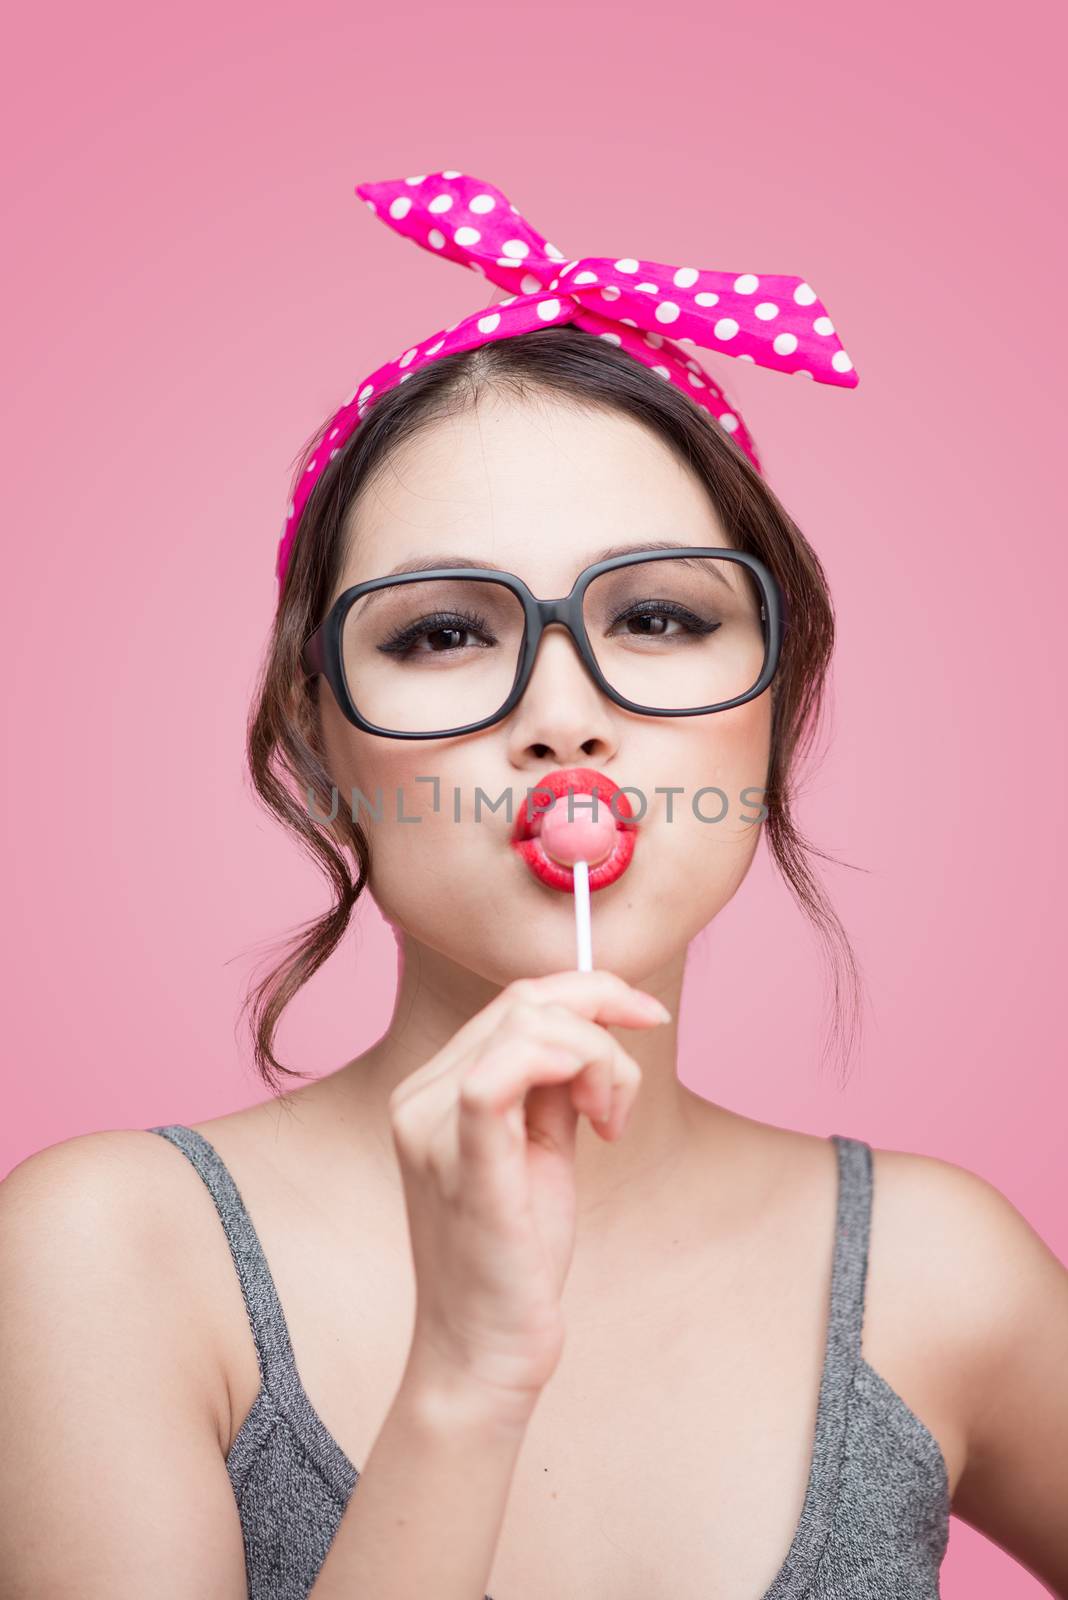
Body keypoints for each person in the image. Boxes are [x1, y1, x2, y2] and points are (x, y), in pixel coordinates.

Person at [3, 257, 1067, 1600]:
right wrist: (464, 1382)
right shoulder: (115, 1257)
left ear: (779, 708)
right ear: (314, 739)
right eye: (445, 632)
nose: (563, 713)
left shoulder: (939, 1270)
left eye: (663, 616)